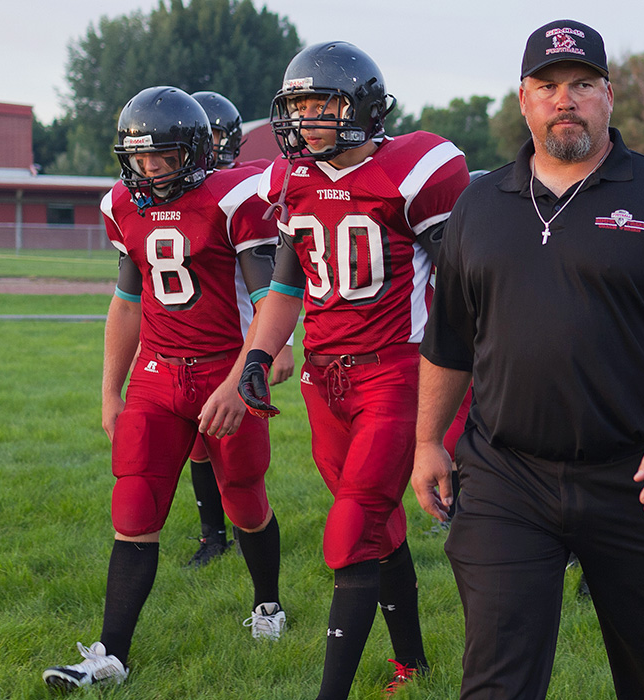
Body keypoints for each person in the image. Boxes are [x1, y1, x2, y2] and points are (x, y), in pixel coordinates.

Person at [410, 19, 644, 699]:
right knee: (497, 673)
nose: (563, 99)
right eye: (547, 86)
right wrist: (428, 439)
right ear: (524, 99)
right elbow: (450, 338)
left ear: (609, 95)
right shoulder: (479, 204)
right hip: (505, 471)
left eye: (581, 84)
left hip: (633, 471)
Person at [233, 42, 468, 699]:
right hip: (322, 380)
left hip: (397, 372)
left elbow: (463, 290)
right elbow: (285, 288)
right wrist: (259, 350)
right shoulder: (291, 181)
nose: (307, 119)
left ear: (363, 106)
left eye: (322, 104)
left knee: (351, 529)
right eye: (298, 106)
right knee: (375, 527)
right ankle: (414, 666)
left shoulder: (416, 170)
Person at [43, 86, 285, 691]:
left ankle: (268, 605)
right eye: (139, 158)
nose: (149, 170)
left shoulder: (231, 199)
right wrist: (110, 390)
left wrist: (245, 374)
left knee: (245, 499)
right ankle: (111, 654)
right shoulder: (123, 204)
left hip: (220, 367)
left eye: (165, 157)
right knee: (134, 506)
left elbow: (268, 300)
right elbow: (126, 302)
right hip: (157, 372)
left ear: (197, 152)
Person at [177, 89, 294, 568]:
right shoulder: (176, 189)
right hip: (193, 336)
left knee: (235, 452)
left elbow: (281, 269)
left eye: (217, 133)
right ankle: (213, 534)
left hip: (244, 334)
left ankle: (245, 528)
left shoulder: (247, 186)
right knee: (199, 446)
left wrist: (280, 343)